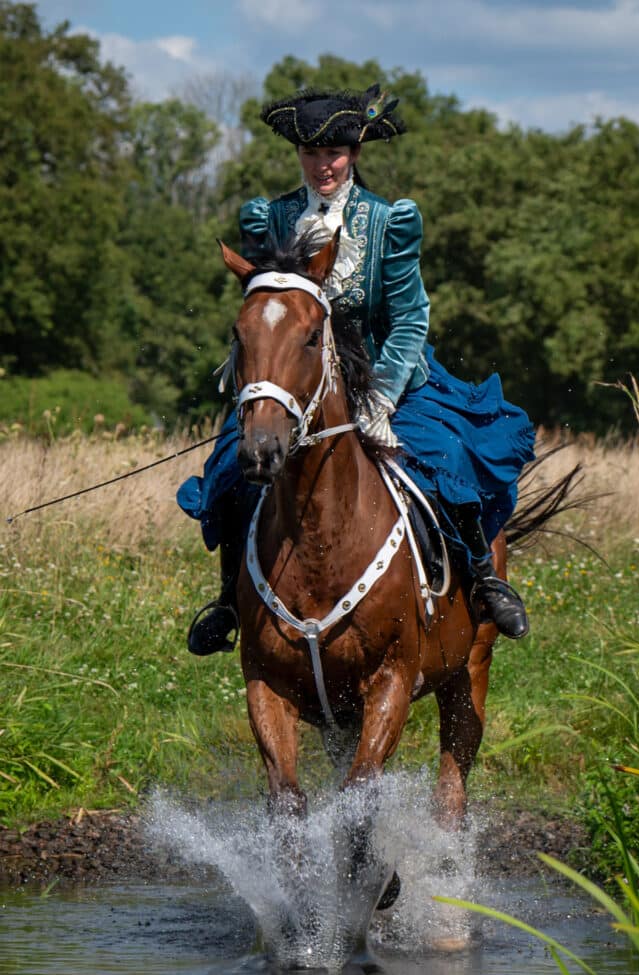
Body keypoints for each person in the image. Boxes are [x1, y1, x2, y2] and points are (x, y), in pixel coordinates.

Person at [177, 83, 535, 656]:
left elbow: (411, 319)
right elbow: (261, 307)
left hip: (387, 382)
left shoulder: (390, 221)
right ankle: (227, 602)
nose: (323, 165)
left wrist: (379, 399)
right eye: (312, 154)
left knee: (449, 461)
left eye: (334, 154)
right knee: (229, 468)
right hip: (294, 384)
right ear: (298, 156)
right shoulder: (271, 216)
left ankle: (483, 580)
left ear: (355, 155)